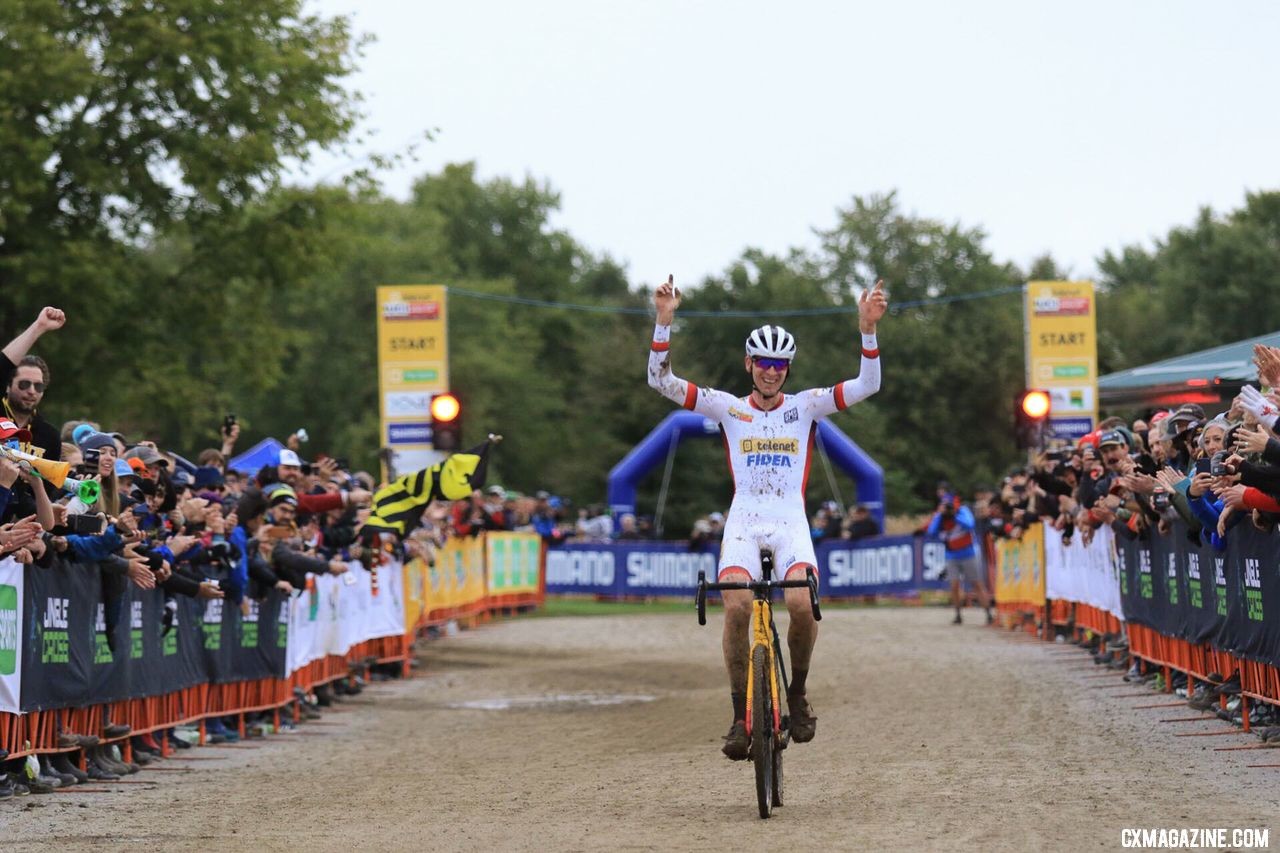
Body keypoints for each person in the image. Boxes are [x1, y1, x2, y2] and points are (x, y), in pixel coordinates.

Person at [647, 273, 887, 759]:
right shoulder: (729, 408)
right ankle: (740, 714)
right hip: (743, 524)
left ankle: (796, 694)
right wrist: (663, 322)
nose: (771, 372)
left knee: (800, 606)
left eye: (780, 364)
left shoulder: (806, 407)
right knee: (736, 608)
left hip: (790, 526)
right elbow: (661, 381)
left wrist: (867, 330)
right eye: (764, 363)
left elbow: (868, 384)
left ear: (788, 368)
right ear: (749, 364)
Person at [927, 492, 993, 625]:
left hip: (969, 554)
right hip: (952, 556)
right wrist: (940, 515)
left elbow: (969, 524)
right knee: (954, 586)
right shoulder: (940, 517)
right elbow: (931, 532)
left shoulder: (962, 511)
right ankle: (958, 614)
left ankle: (988, 613)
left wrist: (954, 515)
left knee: (977, 584)